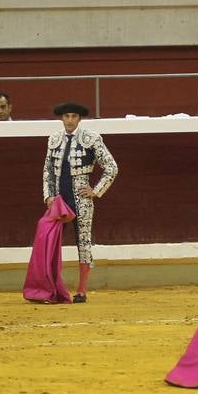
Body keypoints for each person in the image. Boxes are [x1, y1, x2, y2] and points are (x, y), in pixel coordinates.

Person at [43, 101, 117, 303]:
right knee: (51, 244)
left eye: (73, 116)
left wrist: (96, 191)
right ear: (61, 118)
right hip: (58, 200)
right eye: (66, 117)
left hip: (82, 201)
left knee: (83, 243)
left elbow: (112, 167)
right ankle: (50, 288)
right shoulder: (54, 139)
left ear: (79, 118)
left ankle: (82, 290)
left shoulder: (91, 139)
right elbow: (48, 172)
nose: (69, 120)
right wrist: (48, 196)